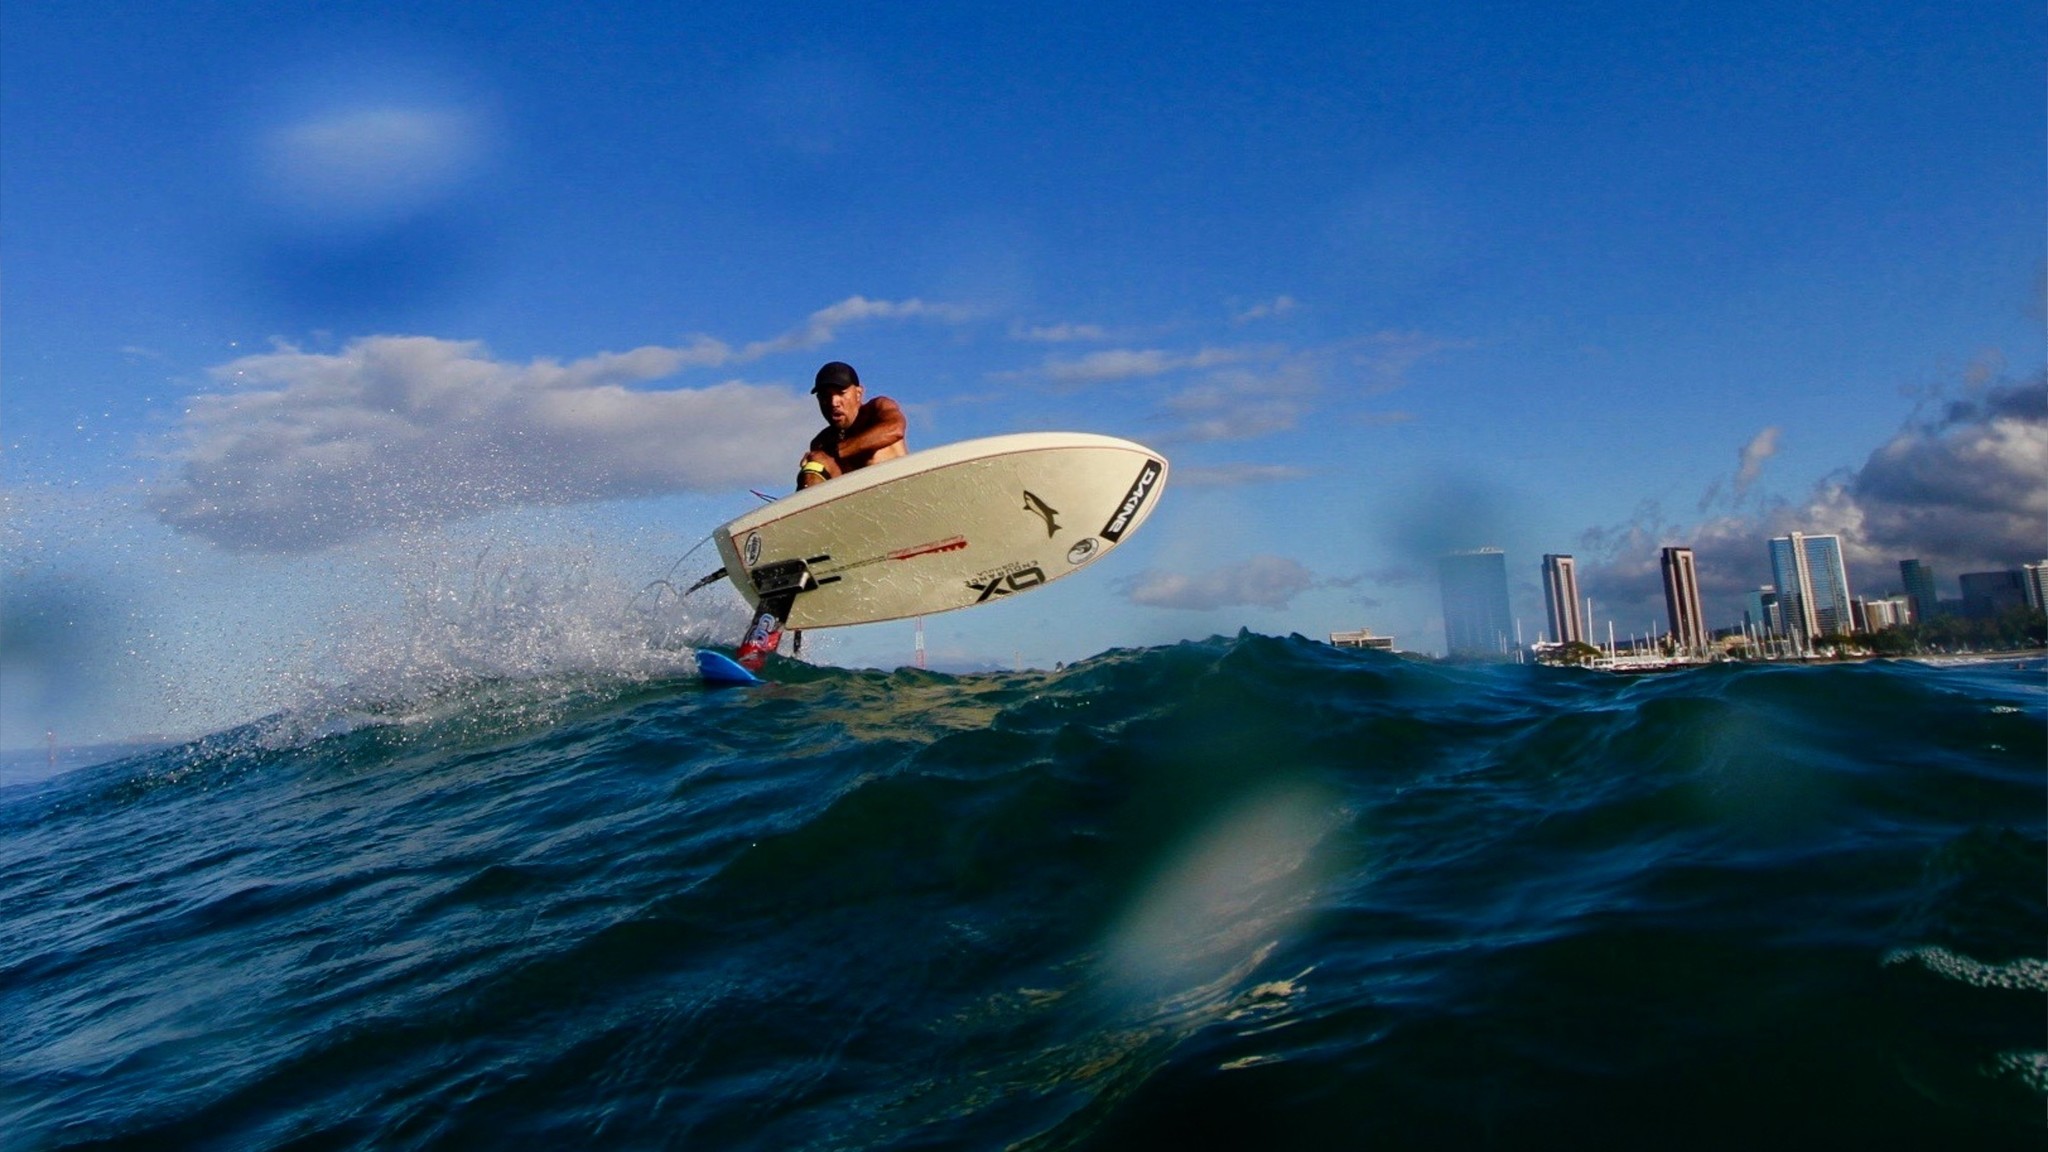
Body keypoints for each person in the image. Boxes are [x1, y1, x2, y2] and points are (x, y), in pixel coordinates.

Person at [797, 361, 907, 490]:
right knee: (816, 463)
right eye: (825, 396)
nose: (834, 402)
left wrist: (836, 452)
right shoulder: (822, 442)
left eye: (841, 393)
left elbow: (895, 429)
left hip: (901, 495)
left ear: (859, 393)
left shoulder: (877, 409)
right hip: (860, 505)